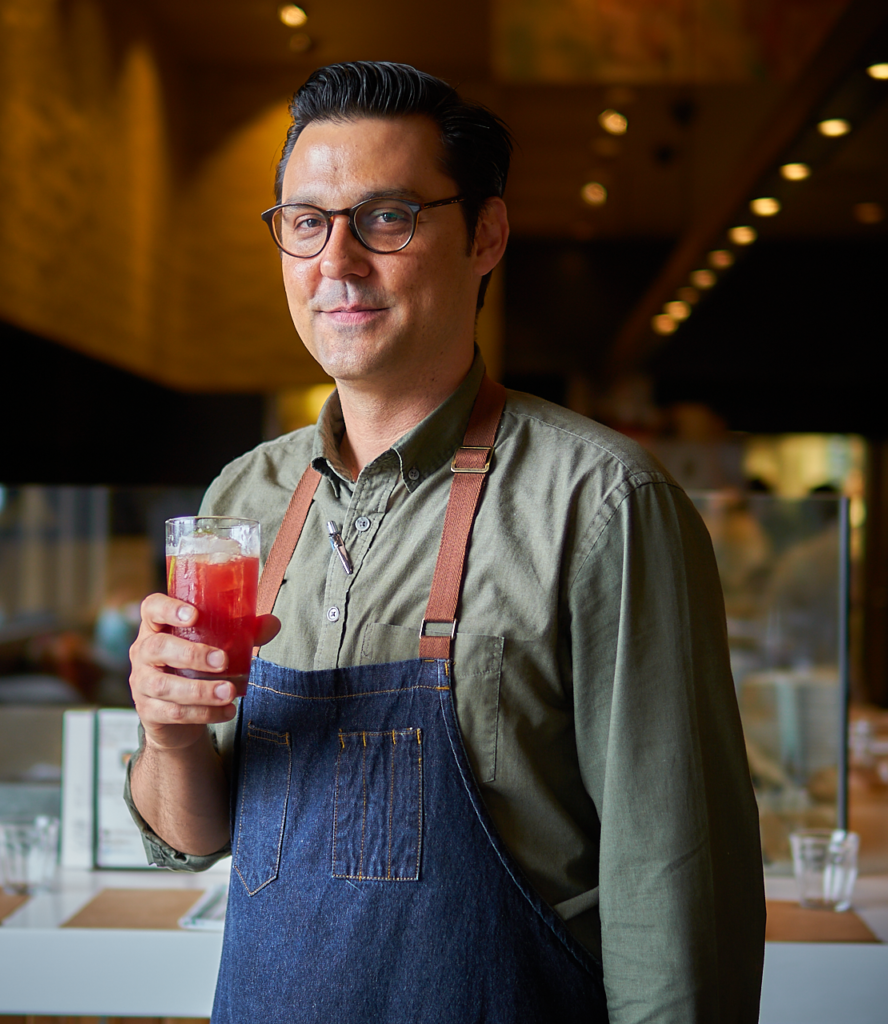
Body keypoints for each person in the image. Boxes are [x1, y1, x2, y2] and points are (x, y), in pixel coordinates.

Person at [126, 61, 765, 1024]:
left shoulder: (601, 503)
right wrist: (168, 735)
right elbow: (196, 838)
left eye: (386, 218)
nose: (337, 262)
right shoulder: (244, 498)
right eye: (306, 222)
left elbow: (674, 892)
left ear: (485, 236)